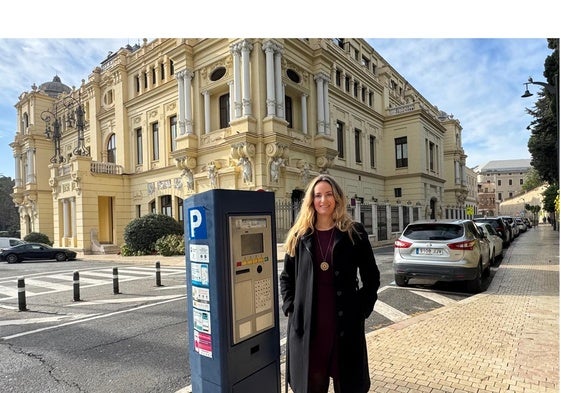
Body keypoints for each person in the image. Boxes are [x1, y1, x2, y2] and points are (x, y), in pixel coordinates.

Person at [279, 174, 380, 393]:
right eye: (317, 195)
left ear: (337, 198)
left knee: (349, 385)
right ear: (311, 201)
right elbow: (286, 277)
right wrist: (291, 308)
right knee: (312, 385)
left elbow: (371, 277)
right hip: (310, 326)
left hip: (344, 325)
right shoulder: (300, 235)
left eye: (328, 194)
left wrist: (361, 308)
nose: (323, 200)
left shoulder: (354, 232)